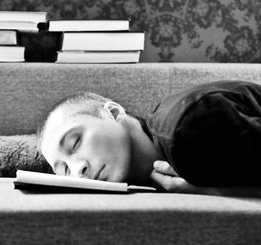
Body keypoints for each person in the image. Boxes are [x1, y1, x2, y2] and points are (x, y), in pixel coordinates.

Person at [37, 80, 261, 196]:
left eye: (75, 142)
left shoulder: (188, 129)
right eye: (64, 171)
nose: (78, 170)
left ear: (113, 113)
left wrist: (209, 191)